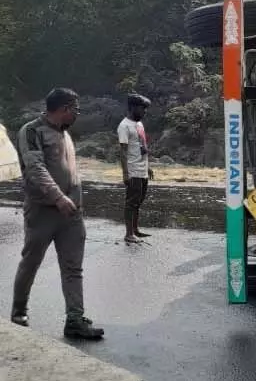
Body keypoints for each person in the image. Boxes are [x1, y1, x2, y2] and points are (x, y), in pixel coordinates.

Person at [10, 88, 104, 340]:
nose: (77, 114)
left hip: (71, 214)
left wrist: (75, 203)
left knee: (73, 268)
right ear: (64, 108)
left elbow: (70, 174)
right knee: (31, 262)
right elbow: (35, 168)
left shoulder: (66, 135)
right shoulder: (32, 131)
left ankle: (74, 320)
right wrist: (57, 197)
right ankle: (19, 311)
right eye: (75, 109)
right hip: (42, 211)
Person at [118, 92, 153, 243]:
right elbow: (123, 152)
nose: (144, 111)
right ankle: (128, 234)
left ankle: (135, 230)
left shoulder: (139, 124)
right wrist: (125, 174)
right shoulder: (124, 126)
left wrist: (148, 166)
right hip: (133, 170)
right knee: (131, 202)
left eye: (145, 109)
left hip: (143, 169)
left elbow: (142, 146)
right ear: (132, 108)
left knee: (139, 201)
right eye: (142, 108)